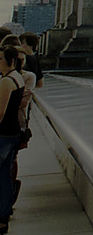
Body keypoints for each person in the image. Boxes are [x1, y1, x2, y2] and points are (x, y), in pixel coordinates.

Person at [0, 45, 25, 233]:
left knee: (1, 177)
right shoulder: (17, 78)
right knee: (5, 176)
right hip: (13, 133)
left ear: (10, 60)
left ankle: (2, 216)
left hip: (3, 135)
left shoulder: (6, 81)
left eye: (0, 59)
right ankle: (4, 213)